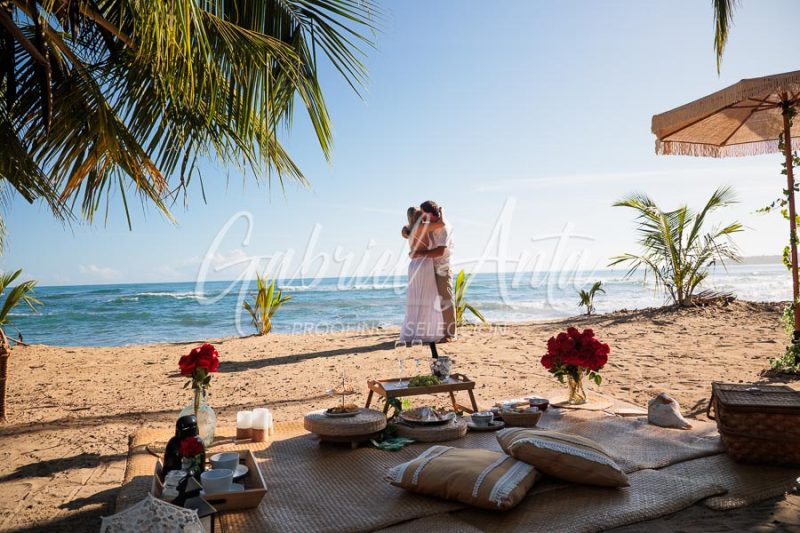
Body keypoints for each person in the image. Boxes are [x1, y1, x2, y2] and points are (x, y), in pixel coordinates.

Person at [399, 207, 445, 343]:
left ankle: (413, 332)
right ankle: (425, 332)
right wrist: (442, 212)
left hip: (414, 264)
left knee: (416, 299)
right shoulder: (421, 227)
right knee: (427, 297)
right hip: (423, 263)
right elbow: (441, 224)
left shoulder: (408, 230)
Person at [412, 201, 455, 342]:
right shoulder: (431, 224)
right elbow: (411, 232)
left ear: (430, 213)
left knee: (446, 299)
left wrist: (420, 253)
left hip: (442, 267)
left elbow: (441, 251)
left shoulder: (444, 228)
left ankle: (450, 334)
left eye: (424, 214)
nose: (422, 217)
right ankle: (437, 331)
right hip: (431, 267)